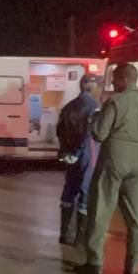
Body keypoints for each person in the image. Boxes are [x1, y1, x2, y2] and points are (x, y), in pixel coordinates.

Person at [78, 63, 138, 274]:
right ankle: (132, 269)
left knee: (101, 210)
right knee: (136, 218)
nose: (113, 82)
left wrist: (93, 121)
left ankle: (94, 262)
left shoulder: (115, 101)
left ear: (125, 79)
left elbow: (99, 134)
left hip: (114, 160)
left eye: (115, 78)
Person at [55, 75, 102, 245]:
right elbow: (92, 133)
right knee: (86, 192)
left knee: (69, 190)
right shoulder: (96, 107)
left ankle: (64, 233)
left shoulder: (68, 106)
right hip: (88, 154)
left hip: (71, 156)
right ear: (95, 88)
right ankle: (80, 238)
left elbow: (59, 130)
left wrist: (66, 151)